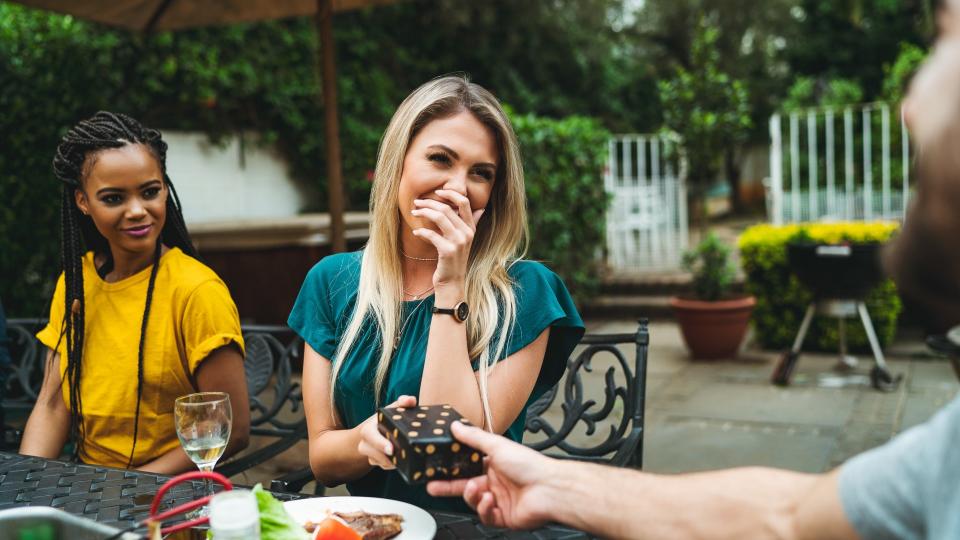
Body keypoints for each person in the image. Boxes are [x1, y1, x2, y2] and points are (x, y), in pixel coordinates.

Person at [428, 4, 960, 538]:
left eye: (943, 37)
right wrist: (552, 484)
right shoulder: (946, 453)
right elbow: (790, 516)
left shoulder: (527, 290)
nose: (909, 107)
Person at [288, 76, 584, 510]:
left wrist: (451, 284)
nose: (457, 188)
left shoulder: (527, 292)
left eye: (480, 173)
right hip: (381, 527)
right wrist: (364, 440)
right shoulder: (331, 281)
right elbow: (324, 461)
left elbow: (451, 450)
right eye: (440, 159)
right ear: (399, 163)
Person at [19, 112, 250, 474]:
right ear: (83, 201)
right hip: (87, 490)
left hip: (168, 498)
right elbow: (51, 406)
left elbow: (229, 429)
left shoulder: (197, 291)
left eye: (150, 192)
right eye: (113, 198)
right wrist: (30, 486)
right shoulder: (76, 283)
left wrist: (124, 491)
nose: (138, 211)